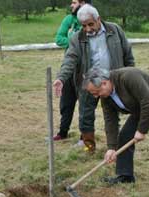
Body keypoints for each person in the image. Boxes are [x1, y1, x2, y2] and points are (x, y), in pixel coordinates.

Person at [82, 67, 149, 197]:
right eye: (93, 93)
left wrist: (142, 130)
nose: (96, 96)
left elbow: (148, 102)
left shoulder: (128, 77)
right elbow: (110, 121)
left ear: (104, 82)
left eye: (97, 92)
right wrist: (111, 147)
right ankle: (125, 175)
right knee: (124, 136)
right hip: (141, 110)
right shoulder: (106, 97)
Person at [53, 4, 134, 153]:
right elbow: (69, 59)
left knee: (112, 116)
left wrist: (129, 76)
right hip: (89, 83)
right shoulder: (77, 38)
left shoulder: (115, 30)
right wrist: (61, 78)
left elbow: (127, 54)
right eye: (84, 25)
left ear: (98, 19)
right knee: (86, 116)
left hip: (112, 81)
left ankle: (114, 147)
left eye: (91, 24)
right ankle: (89, 147)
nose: (88, 29)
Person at [53, 0, 91, 142]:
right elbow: (58, 39)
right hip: (69, 68)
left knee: (85, 105)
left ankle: (84, 137)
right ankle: (63, 132)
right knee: (66, 102)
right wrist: (75, 41)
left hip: (86, 70)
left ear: (83, 3)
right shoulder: (69, 19)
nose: (71, 5)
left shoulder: (90, 20)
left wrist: (71, 37)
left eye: (74, 2)